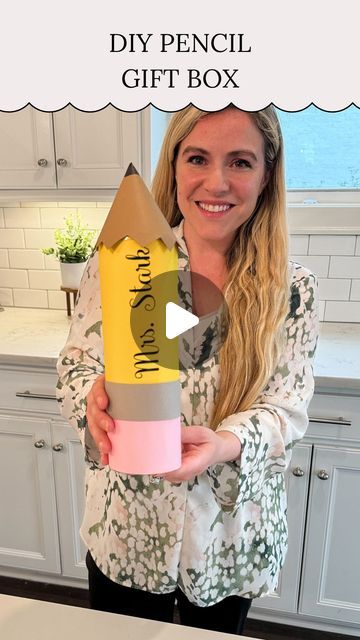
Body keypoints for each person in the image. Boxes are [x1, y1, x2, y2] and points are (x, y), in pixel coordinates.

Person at [56, 105, 318, 635]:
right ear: (174, 164)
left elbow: (285, 410)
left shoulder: (291, 289)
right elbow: (76, 367)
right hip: (127, 525)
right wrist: (92, 401)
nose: (216, 182)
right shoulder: (121, 262)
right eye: (198, 157)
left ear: (267, 174)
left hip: (228, 537)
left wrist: (223, 443)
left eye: (241, 162)